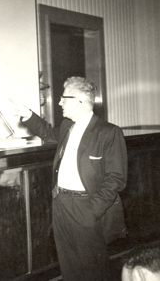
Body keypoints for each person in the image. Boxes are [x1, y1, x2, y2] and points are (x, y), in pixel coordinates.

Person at [16, 76, 128, 281]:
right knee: (69, 267)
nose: (59, 103)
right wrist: (28, 115)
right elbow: (48, 133)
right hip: (61, 204)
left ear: (80, 101)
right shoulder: (68, 126)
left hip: (86, 206)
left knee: (93, 270)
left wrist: (91, 211)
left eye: (63, 98)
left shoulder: (108, 132)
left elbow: (116, 178)